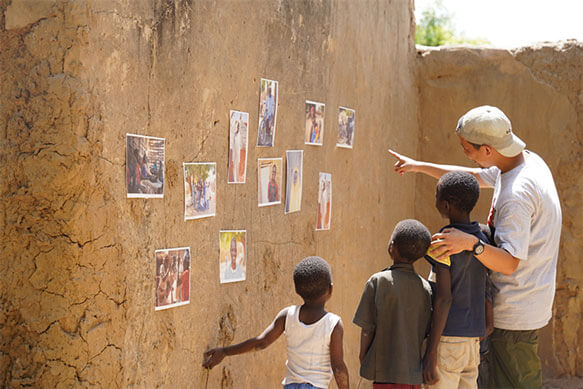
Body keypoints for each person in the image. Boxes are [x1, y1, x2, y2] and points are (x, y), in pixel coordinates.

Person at [389, 105, 562, 388]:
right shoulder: (522, 162)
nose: (465, 152)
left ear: (488, 150)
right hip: (521, 306)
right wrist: (418, 166)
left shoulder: (517, 195)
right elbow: (472, 177)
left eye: (467, 148)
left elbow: (509, 262)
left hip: (514, 315)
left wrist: (471, 244)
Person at [203, 256, 349, 389]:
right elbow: (338, 367)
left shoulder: (288, 315)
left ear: (297, 290)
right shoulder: (333, 324)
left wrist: (225, 351)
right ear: (330, 289)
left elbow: (261, 342)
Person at [423, 172, 490, 388]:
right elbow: (485, 286)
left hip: (449, 337)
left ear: (446, 204)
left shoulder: (444, 241)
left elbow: (444, 299)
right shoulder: (482, 239)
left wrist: (431, 352)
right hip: (473, 341)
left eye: (436, 195)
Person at [353, 219, 433, 389]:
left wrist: (363, 356)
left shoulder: (378, 281)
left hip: (383, 371)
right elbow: (425, 332)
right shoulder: (425, 288)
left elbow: (367, 328)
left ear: (392, 247)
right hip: (411, 374)